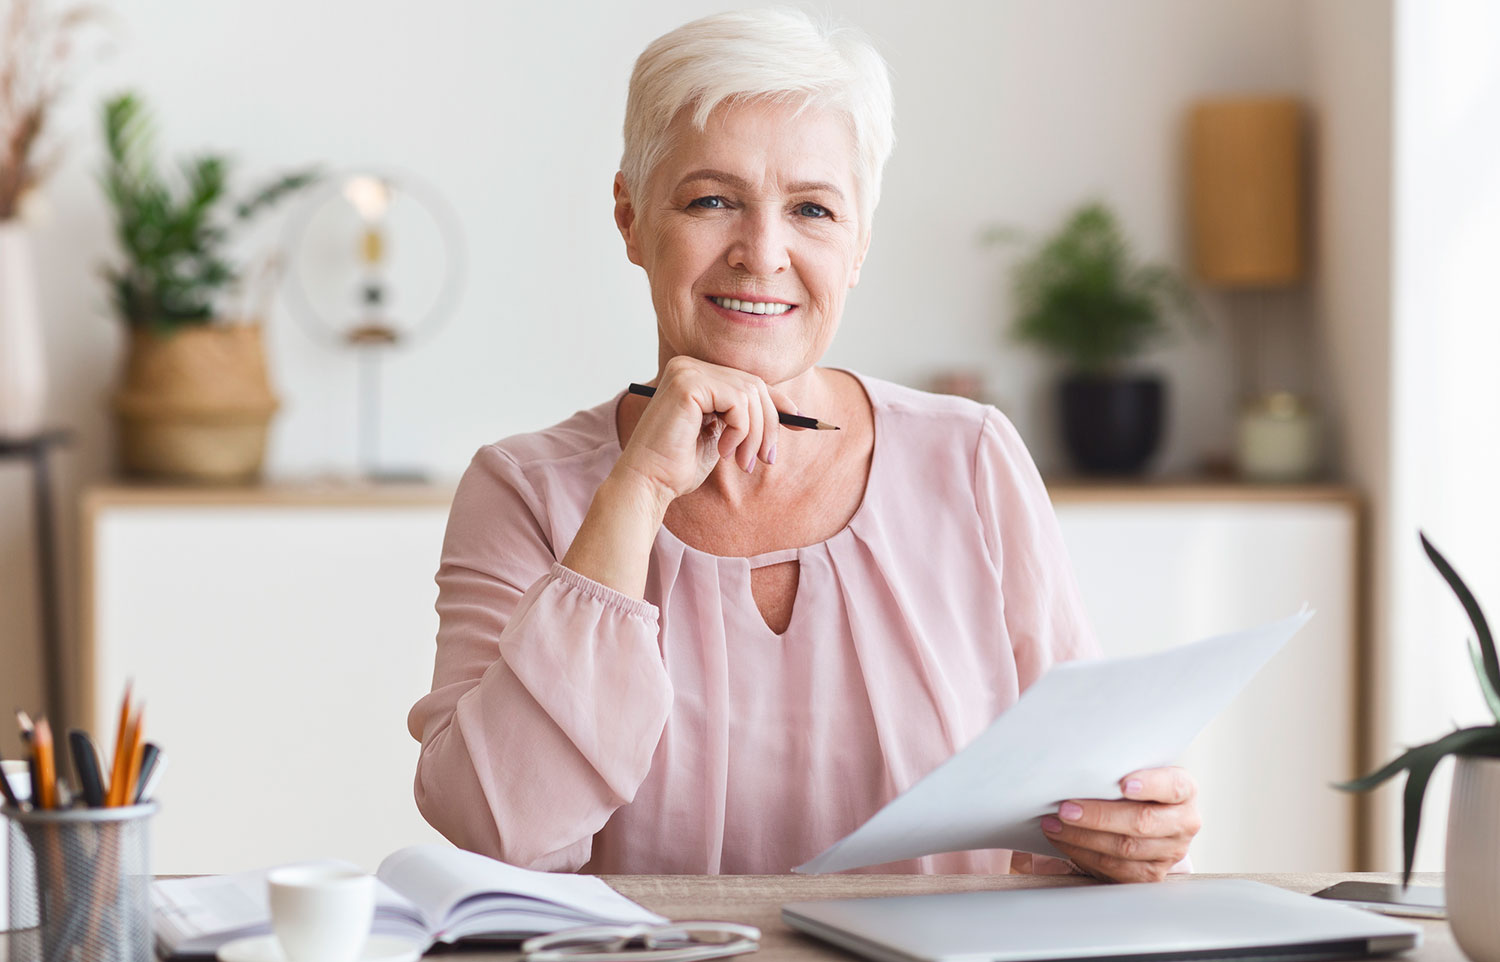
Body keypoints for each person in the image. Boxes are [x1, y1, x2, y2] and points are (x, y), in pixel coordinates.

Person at [408, 8, 1199, 881]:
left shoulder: (971, 459)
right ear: (631, 219)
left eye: (813, 209)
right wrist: (637, 490)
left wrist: (1119, 835)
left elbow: (1068, 811)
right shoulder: (521, 489)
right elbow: (500, 832)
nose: (763, 253)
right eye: (712, 200)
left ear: (858, 243)